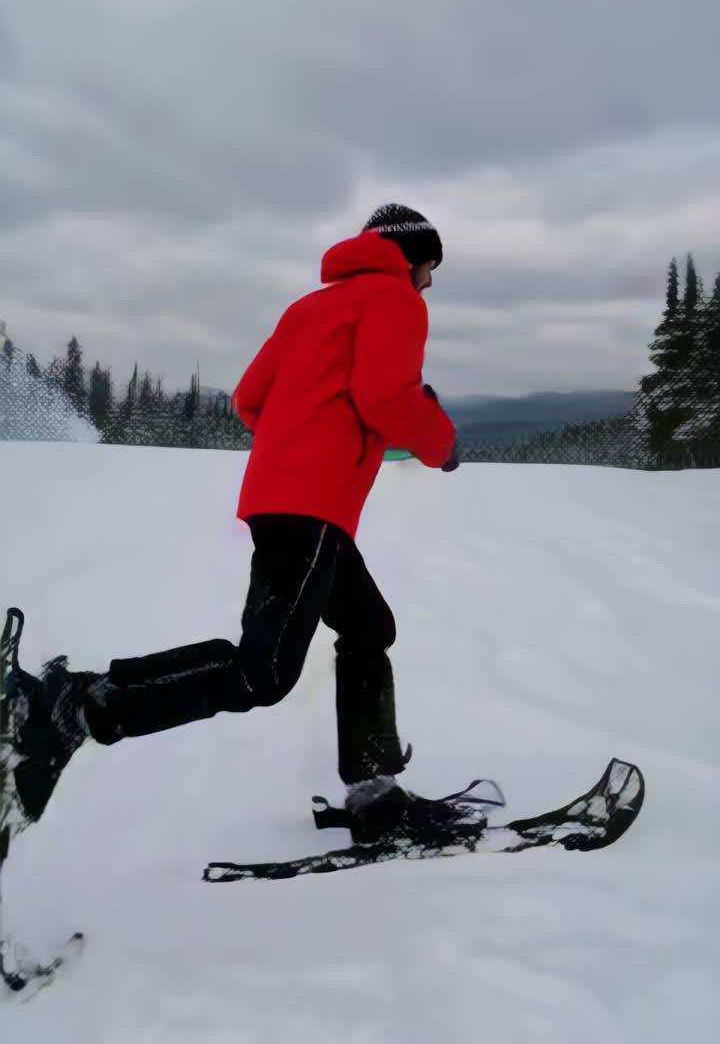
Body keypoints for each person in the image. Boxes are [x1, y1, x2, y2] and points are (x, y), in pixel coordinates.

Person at [6, 204, 485, 849]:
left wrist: (303, 443)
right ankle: (82, 704)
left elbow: (249, 400)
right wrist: (440, 441)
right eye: (429, 268)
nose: (428, 283)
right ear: (411, 257)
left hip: (288, 502)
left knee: (371, 628)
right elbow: (386, 400)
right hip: (313, 508)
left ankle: (374, 792)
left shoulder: (311, 308)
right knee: (263, 673)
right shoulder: (395, 301)